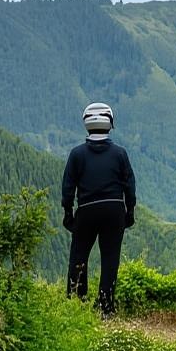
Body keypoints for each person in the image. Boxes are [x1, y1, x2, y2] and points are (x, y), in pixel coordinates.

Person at [62, 101, 137, 316]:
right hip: (114, 210)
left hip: (86, 209)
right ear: (110, 123)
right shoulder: (120, 154)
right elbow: (129, 185)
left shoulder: (77, 154)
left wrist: (68, 213)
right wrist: (129, 212)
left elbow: (68, 187)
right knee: (110, 258)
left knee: (79, 256)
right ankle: (106, 307)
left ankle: (77, 301)